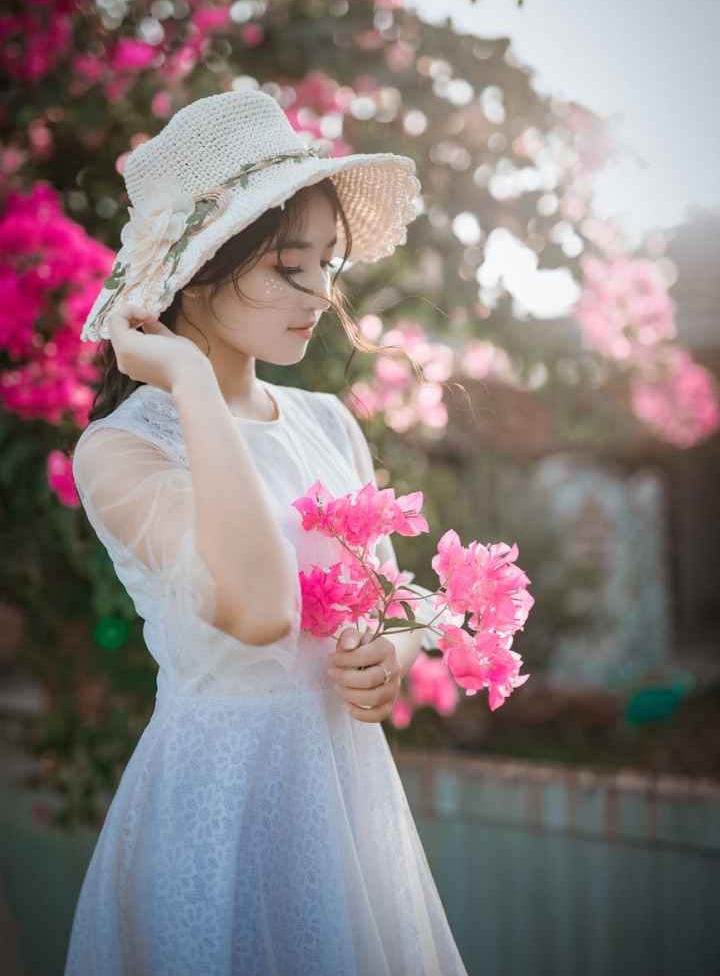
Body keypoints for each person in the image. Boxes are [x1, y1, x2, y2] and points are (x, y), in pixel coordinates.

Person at [64, 90, 469, 975]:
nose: (322, 292)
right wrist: (190, 383)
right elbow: (254, 608)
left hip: (350, 806)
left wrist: (393, 657)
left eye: (328, 263)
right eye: (291, 266)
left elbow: (402, 602)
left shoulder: (328, 422)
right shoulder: (122, 450)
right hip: (220, 805)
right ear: (199, 268)